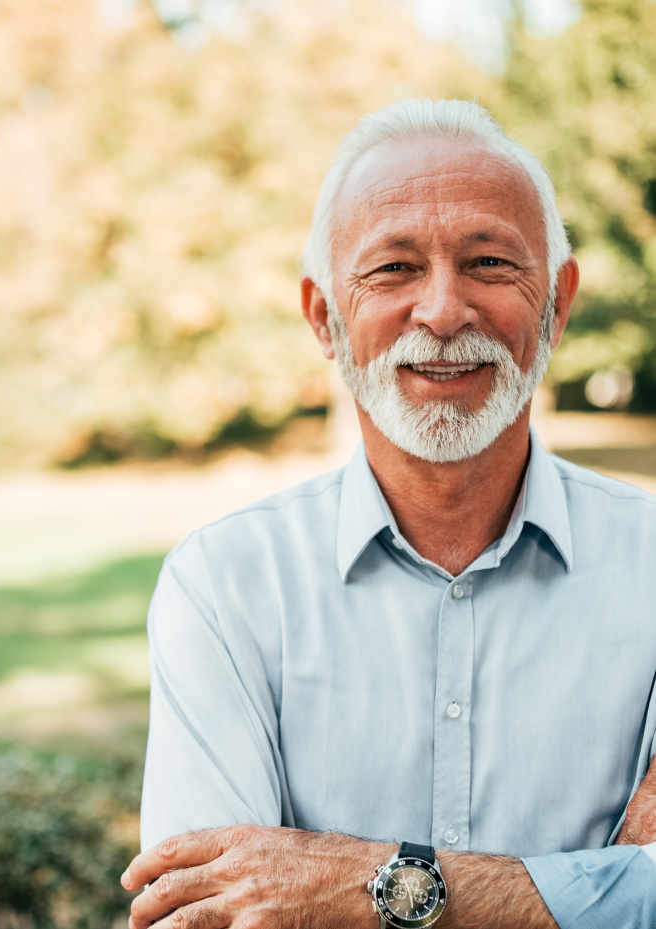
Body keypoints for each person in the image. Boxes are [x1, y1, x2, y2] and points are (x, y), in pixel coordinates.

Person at [121, 99, 656, 929]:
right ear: (324, 317)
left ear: (557, 303)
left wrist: (360, 884)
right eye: (394, 268)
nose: (443, 312)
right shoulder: (224, 586)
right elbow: (212, 918)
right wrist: (601, 889)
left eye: (488, 262)